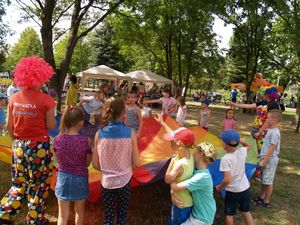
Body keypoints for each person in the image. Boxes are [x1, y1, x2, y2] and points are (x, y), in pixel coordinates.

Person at [0, 56, 56, 225]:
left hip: (19, 146)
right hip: (39, 147)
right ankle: (34, 219)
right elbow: (52, 125)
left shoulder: (14, 98)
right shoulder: (46, 100)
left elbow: (9, 126)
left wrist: (17, 140)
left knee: (18, 183)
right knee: (39, 185)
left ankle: (4, 214)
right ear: (40, 78)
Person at [92, 97, 140, 225]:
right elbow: (136, 163)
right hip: (125, 179)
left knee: (108, 214)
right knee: (122, 214)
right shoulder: (131, 133)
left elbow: (95, 164)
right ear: (123, 113)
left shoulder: (99, 133)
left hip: (107, 181)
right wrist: (125, 169)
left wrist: (108, 170)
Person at [53, 106, 92, 225]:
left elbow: (57, 161)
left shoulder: (57, 140)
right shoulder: (86, 141)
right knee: (79, 212)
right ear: (81, 122)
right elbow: (87, 163)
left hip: (63, 178)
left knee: (62, 216)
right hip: (80, 178)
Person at [155, 114, 195, 225]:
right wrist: (163, 123)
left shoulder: (179, 164)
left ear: (180, 144)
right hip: (183, 201)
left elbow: (167, 179)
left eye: (172, 141)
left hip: (181, 204)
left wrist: (172, 160)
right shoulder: (188, 153)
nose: (170, 142)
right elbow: (176, 135)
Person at [170, 142, 217, 225]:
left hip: (202, 218)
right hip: (202, 212)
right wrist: (173, 196)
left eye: (195, 151)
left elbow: (175, 187)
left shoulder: (201, 177)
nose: (192, 153)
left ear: (200, 154)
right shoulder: (198, 172)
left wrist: (172, 175)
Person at [215, 130, 254, 225]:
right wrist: (239, 139)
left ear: (224, 144)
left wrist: (219, 187)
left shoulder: (225, 159)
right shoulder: (241, 151)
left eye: (222, 141)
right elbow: (249, 145)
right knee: (246, 212)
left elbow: (227, 179)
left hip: (233, 191)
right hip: (245, 188)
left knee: (229, 214)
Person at [230, 86, 281, 154]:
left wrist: (260, 131)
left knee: (263, 149)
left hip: (265, 131)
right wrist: (235, 104)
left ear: (268, 95)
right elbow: (249, 106)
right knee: (257, 149)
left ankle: (263, 162)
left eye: (265, 93)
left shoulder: (274, 105)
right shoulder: (263, 102)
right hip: (257, 129)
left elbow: (269, 120)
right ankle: (260, 161)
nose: (263, 94)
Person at [253, 110, 282, 209]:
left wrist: (264, 161)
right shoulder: (271, 130)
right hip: (266, 158)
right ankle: (262, 196)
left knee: (268, 181)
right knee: (264, 179)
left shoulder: (275, 133)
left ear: (275, 120)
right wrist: (261, 156)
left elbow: (271, 148)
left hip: (270, 160)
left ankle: (266, 201)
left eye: (268, 118)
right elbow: (266, 146)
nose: (266, 119)